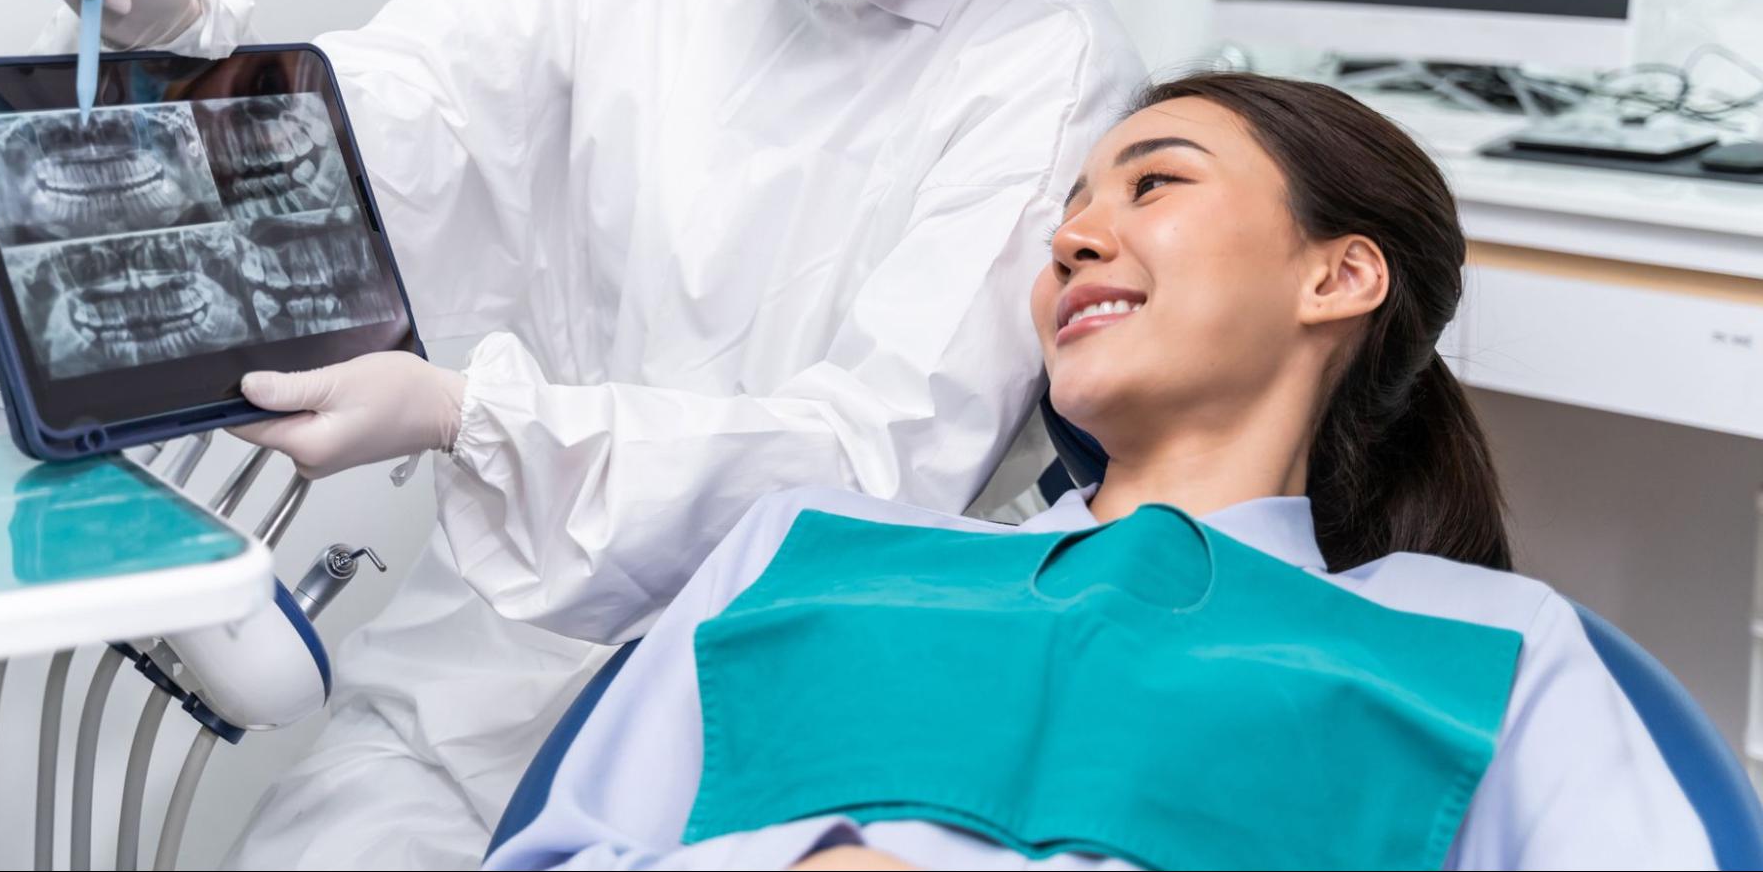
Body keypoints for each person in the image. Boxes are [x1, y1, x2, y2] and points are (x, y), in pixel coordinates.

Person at [13, 0, 1142, 867]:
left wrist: (474, 418)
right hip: (481, 658)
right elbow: (393, 126)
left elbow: (871, 466)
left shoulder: (1036, 60)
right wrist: (179, 34)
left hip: (772, 697)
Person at [487, 73, 1715, 871]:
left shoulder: (1487, 647)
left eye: (1155, 183)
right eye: (1067, 212)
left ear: (1336, 276)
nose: (1072, 237)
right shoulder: (803, 550)